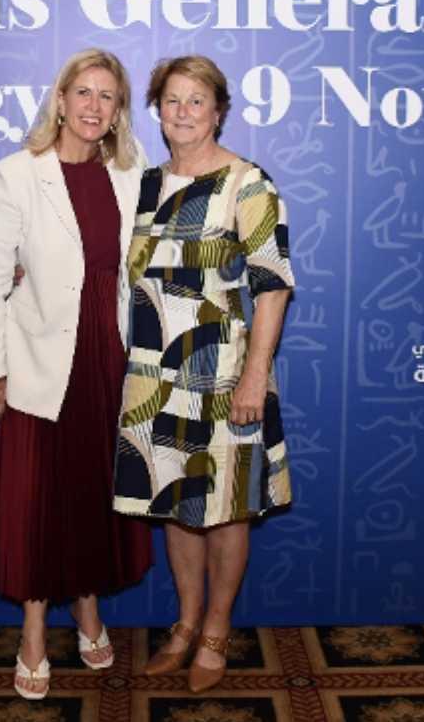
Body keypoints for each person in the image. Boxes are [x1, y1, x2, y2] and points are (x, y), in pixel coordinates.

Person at [0, 48, 154, 700]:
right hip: (38, 364)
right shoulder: (16, 174)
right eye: (83, 92)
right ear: (61, 99)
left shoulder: (134, 178)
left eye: (107, 97)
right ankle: (31, 630)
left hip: (110, 360)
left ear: (118, 112)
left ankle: (87, 608)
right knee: (36, 498)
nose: (93, 106)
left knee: (92, 492)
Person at [112, 55, 295, 693]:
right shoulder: (143, 184)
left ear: (219, 110)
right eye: (171, 101)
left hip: (223, 372)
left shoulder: (248, 183)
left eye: (197, 101)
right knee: (176, 506)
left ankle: (216, 630)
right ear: (156, 110)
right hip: (152, 374)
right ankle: (185, 625)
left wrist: (255, 376)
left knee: (226, 508)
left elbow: (272, 286)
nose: (183, 113)